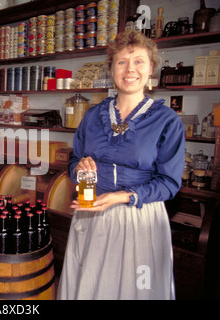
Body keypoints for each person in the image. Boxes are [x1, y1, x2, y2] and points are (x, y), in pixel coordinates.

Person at [57, 30, 185, 300]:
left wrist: (122, 196)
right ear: (112, 69)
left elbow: (170, 183)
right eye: (122, 62)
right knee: (91, 285)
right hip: (91, 212)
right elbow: (73, 160)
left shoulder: (167, 120)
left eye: (139, 61)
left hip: (138, 216)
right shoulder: (92, 115)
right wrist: (78, 170)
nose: (130, 69)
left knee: (134, 288)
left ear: (151, 69)